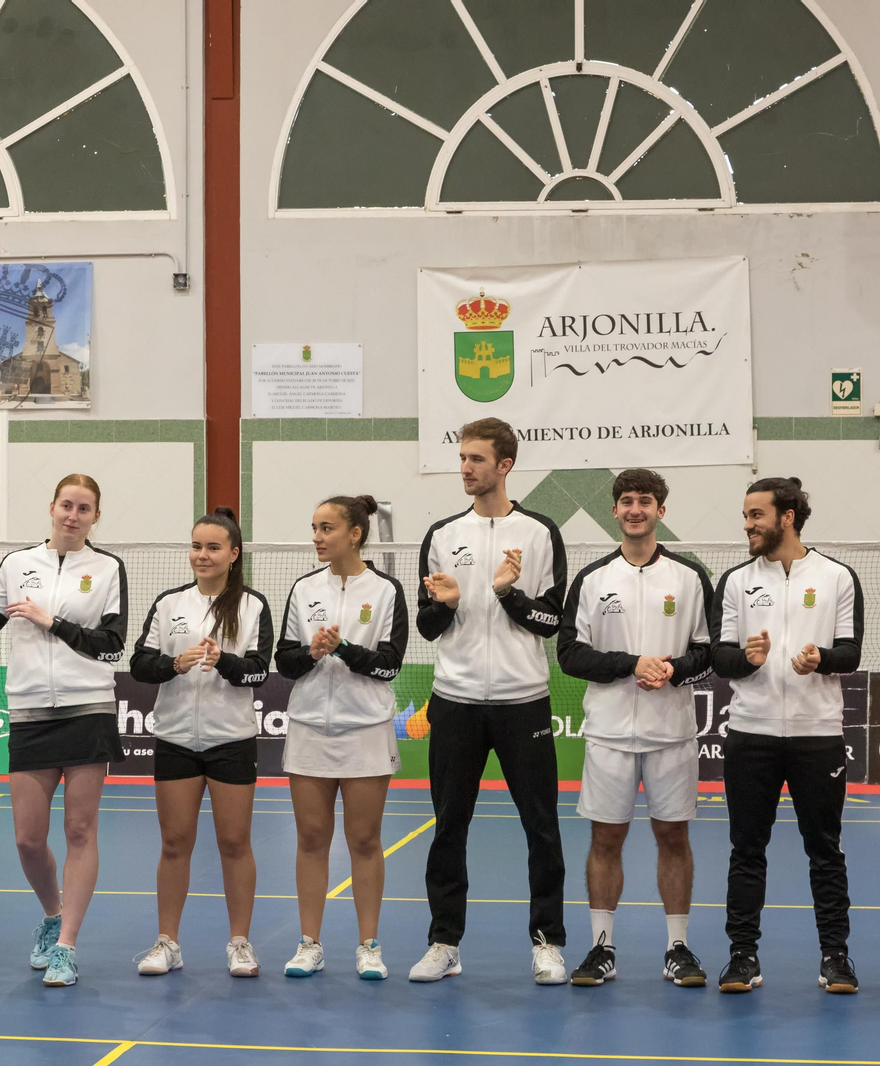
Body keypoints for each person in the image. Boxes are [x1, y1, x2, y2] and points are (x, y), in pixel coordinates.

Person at [409, 417, 569, 985]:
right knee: (449, 827)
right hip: (454, 701)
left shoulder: (541, 532)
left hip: (523, 701)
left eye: (476, 459)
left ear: (505, 465)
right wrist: (447, 604)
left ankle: (548, 942)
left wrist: (508, 595)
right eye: (462, 458)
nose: (466, 468)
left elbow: (551, 621)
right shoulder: (442, 534)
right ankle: (444, 942)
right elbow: (425, 627)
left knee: (541, 828)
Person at [557, 468, 714, 989]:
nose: (635, 509)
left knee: (673, 836)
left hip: (672, 731)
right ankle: (602, 948)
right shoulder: (592, 579)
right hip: (609, 733)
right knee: (606, 839)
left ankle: (678, 947)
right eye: (626, 500)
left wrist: (673, 668)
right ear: (615, 510)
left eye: (645, 501)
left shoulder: (690, 578)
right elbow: (571, 655)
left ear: (660, 511)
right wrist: (631, 663)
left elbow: (708, 651)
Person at [0, 473, 128, 988]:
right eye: (66, 505)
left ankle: (66, 947)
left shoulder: (107, 568)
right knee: (27, 839)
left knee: (80, 831)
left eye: (84, 508)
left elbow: (111, 645)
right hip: (31, 710)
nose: (73, 516)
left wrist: (51, 621)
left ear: (96, 517)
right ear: (52, 507)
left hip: (88, 709)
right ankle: (53, 912)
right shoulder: (17, 565)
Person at [710, 478, 862, 994]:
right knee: (746, 849)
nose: (748, 524)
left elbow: (851, 651)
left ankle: (836, 957)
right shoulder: (734, 581)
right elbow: (720, 655)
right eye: (746, 514)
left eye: (756, 515)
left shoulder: (838, 576)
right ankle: (742, 956)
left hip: (817, 736)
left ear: (788, 516)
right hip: (751, 734)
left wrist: (822, 659)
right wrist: (746, 660)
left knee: (825, 849)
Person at [130, 507, 272, 978]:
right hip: (175, 739)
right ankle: (167, 942)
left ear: (233, 554)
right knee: (174, 843)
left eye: (213, 547)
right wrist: (173, 665)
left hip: (231, 740)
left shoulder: (253, 606)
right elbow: (139, 665)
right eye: (196, 546)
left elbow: (258, 670)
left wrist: (223, 660)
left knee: (234, 843)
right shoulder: (169, 603)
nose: (202, 555)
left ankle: (240, 943)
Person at [276, 495, 407, 981]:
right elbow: (284, 661)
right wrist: (311, 653)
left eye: (326, 528)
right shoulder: (304, 588)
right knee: (311, 839)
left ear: (355, 533)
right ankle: (309, 944)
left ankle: (368, 945)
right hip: (310, 727)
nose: (316, 537)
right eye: (314, 528)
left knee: (365, 839)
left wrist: (346, 648)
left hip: (366, 730)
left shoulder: (387, 590)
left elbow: (390, 662)